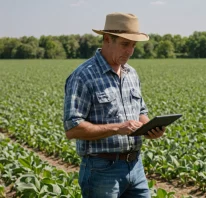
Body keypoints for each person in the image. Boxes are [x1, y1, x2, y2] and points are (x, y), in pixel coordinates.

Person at [63, 12, 165, 198]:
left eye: (133, 45)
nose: (130, 51)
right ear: (107, 39)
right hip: (101, 170)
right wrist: (118, 128)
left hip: (135, 166)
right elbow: (72, 129)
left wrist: (151, 127)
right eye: (125, 44)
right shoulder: (83, 76)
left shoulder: (131, 74)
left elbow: (141, 111)